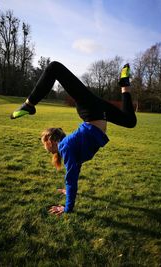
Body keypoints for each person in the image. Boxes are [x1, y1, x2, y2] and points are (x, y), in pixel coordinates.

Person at [10, 61, 137, 216]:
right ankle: (124, 84)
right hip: (97, 110)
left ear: (51, 141)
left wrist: (67, 208)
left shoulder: (66, 148)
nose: (44, 148)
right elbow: (74, 171)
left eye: (44, 143)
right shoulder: (69, 149)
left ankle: (29, 104)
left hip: (91, 111)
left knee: (54, 68)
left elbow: (71, 178)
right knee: (130, 121)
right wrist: (68, 189)